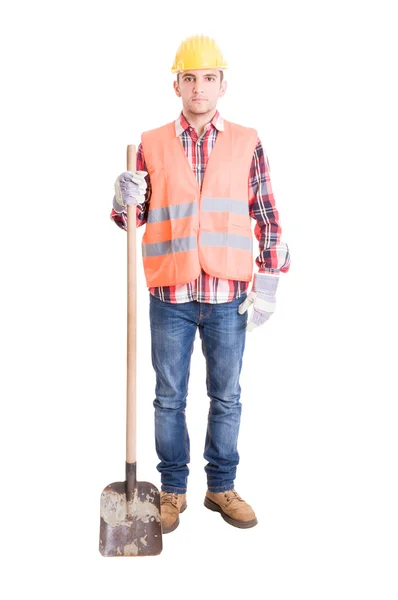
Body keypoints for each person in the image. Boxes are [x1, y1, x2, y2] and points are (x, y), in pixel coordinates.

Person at [110, 34, 290, 534]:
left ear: (222, 84)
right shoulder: (150, 143)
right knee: (169, 398)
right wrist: (123, 195)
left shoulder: (247, 141)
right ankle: (171, 492)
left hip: (228, 293)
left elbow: (266, 212)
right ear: (177, 85)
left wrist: (270, 279)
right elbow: (131, 218)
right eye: (189, 78)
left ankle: (221, 487)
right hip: (170, 295)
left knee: (227, 396)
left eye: (208, 78)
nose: (198, 87)